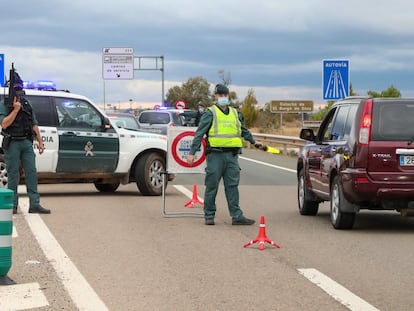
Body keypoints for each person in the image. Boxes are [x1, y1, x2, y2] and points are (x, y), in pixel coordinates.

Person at [187, 84, 263, 225]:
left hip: (232, 156)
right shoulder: (210, 113)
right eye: (220, 95)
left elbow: (243, 130)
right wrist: (192, 152)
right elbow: (199, 133)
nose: (223, 98)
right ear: (215, 97)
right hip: (215, 155)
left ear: (228, 96)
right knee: (212, 186)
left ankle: (236, 216)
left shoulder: (235, 113)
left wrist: (254, 142)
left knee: (232, 186)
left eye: (225, 95)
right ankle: (209, 215)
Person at [0, 71, 50, 214]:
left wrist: (40, 141)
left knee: (31, 173)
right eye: (17, 90)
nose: (20, 93)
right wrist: (15, 110)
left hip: (26, 142)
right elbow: (4, 124)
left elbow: (33, 123)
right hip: (13, 143)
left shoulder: (27, 103)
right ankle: (12, 205)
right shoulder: (5, 104)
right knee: (13, 175)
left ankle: (34, 204)